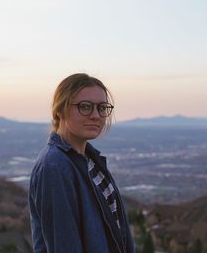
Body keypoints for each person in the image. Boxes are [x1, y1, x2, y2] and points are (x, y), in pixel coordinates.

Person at [28, 73, 135, 253]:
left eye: (102, 108)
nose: (96, 115)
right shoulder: (54, 166)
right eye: (85, 107)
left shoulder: (90, 161)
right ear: (59, 110)